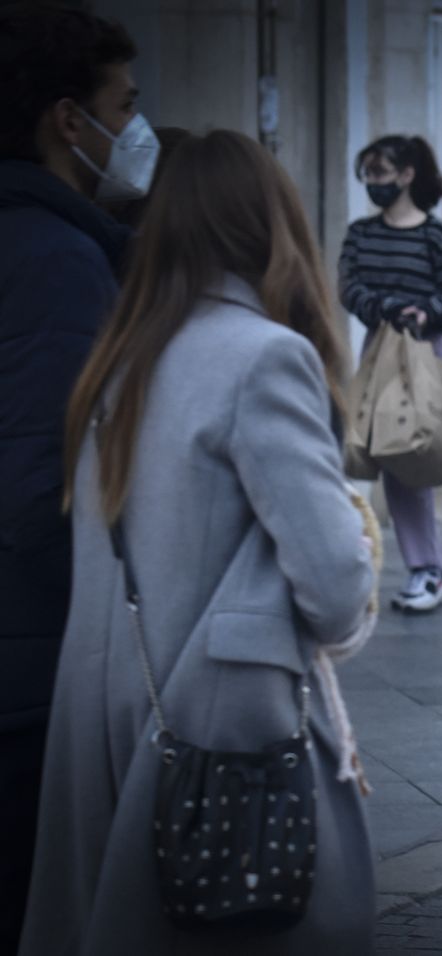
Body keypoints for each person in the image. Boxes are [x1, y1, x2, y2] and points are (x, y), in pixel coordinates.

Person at [22, 130, 379, 955]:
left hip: (108, 709)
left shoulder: (121, 358)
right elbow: (334, 589)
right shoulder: (265, 357)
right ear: (271, 224)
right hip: (218, 727)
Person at [0, 6, 140, 948]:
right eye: (124, 105)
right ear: (67, 120)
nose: (137, 131)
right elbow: (43, 475)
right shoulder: (56, 259)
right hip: (28, 655)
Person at [339, 134, 442, 613]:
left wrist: (424, 312)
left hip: (422, 352)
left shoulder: (436, 235)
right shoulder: (361, 234)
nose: (374, 183)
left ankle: (428, 570)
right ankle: (424, 569)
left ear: (407, 175)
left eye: (381, 173)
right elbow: (349, 287)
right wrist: (384, 307)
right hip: (378, 351)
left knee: (412, 455)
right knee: (383, 458)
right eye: (368, 175)